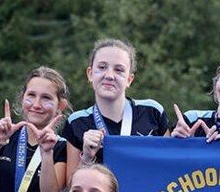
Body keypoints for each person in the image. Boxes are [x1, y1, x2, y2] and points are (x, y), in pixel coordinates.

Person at [63, 38, 168, 179]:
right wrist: (87, 158)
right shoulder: (77, 122)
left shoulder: (152, 112)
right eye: (102, 67)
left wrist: (183, 141)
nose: (109, 75)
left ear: (129, 80)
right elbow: (72, 187)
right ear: (90, 74)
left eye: (119, 70)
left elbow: (169, 168)